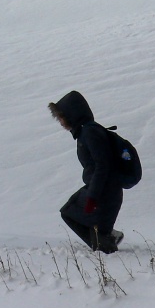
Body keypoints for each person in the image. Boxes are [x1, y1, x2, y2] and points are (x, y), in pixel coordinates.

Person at [49, 90, 124, 253]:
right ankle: (108, 236)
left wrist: (92, 196)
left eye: (61, 116)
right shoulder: (86, 131)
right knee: (70, 212)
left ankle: (108, 242)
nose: (60, 121)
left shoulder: (89, 133)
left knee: (103, 248)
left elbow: (102, 166)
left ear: (71, 114)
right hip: (104, 191)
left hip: (105, 193)